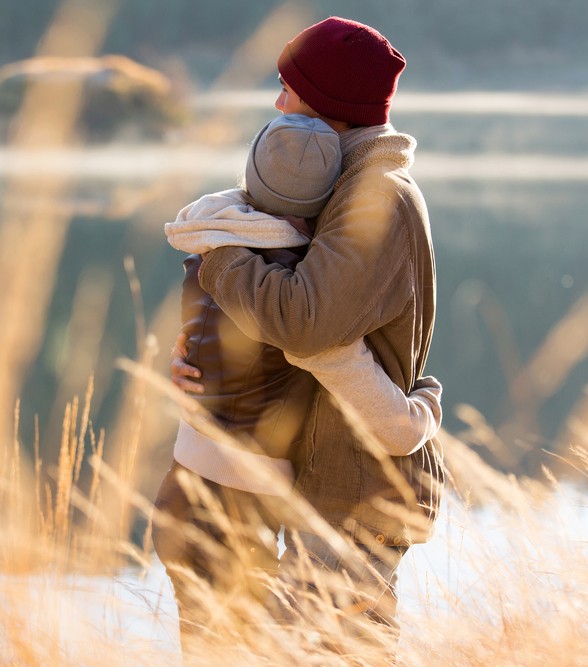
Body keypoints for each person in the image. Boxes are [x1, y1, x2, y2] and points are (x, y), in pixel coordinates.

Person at [166, 15, 444, 644]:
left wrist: (219, 257)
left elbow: (305, 324)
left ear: (328, 104)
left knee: (342, 651)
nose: (278, 104)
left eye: (288, 89)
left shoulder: (376, 197)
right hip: (329, 474)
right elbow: (309, 321)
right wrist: (202, 353)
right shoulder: (340, 185)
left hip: (359, 489)